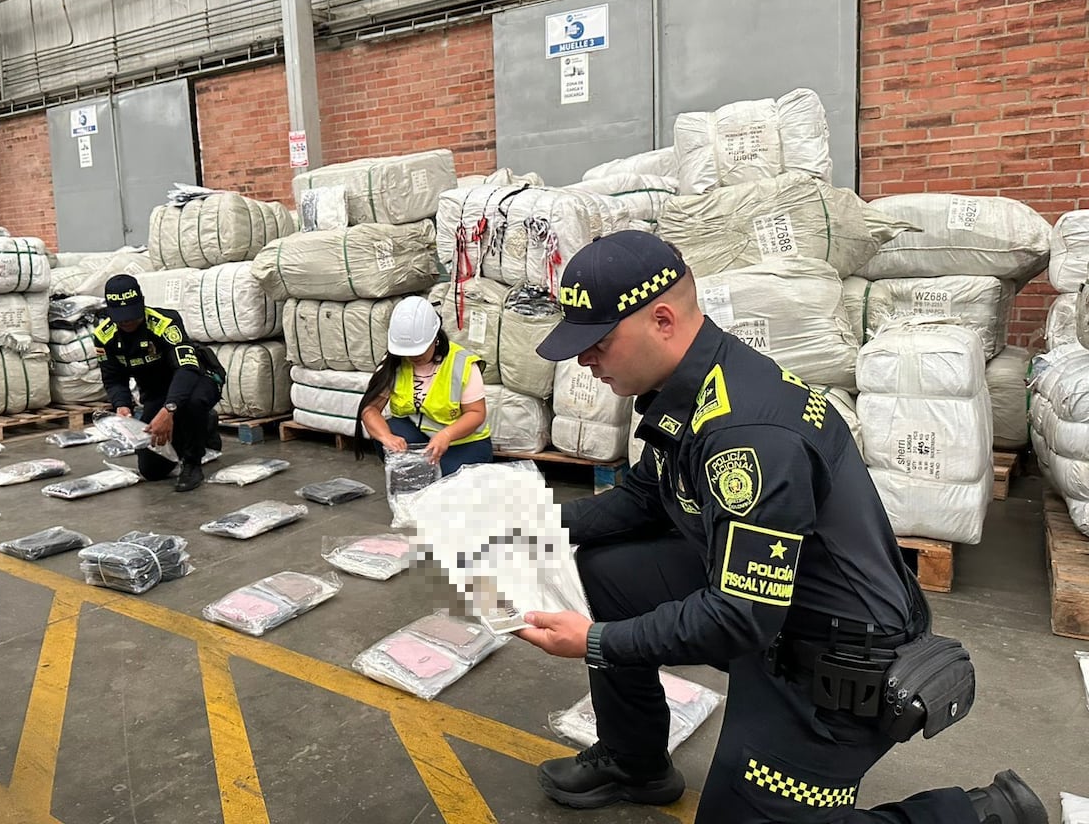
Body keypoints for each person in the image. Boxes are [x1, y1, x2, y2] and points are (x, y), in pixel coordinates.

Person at [515, 231, 1046, 824]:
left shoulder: (746, 434)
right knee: (604, 572)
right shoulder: (694, 385)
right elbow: (644, 497)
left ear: (661, 320)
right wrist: (523, 524)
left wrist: (594, 642)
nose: (585, 362)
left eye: (598, 344)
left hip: (834, 659)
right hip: (773, 609)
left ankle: (983, 815)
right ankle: (634, 760)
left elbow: (737, 619)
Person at [93, 274, 224, 492]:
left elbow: (187, 369)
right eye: (121, 317)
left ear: (142, 303)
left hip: (197, 380)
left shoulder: (165, 323)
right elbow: (114, 378)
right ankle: (202, 426)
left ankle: (193, 462)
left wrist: (169, 409)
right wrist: (122, 405)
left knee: (191, 404)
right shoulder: (104, 336)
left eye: (132, 315)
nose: (127, 322)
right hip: (157, 393)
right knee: (151, 470)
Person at [354, 296, 493, 476]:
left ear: (435, 338)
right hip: (419, 434)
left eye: (419, 350)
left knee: (449, 482)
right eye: (407, 352)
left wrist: (446, 435)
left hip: (463, 441)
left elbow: (476, 413)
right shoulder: (394, 362)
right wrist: (386, 437)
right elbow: (370, 409)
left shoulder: (462, 363)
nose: (413, 357)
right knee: (394, 437)